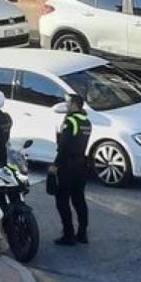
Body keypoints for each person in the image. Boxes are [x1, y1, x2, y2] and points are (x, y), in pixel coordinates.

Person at [50, 93, 91, 246]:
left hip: (67, 166)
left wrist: (55, 165)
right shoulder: (86, 121)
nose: (66, 105)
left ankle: (68, 235)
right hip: (81, 164)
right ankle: (82, 233)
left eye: (68, 103)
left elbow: (64, 147)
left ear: (74, 105)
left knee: (62, 200)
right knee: (79, 199)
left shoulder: (70, 121)